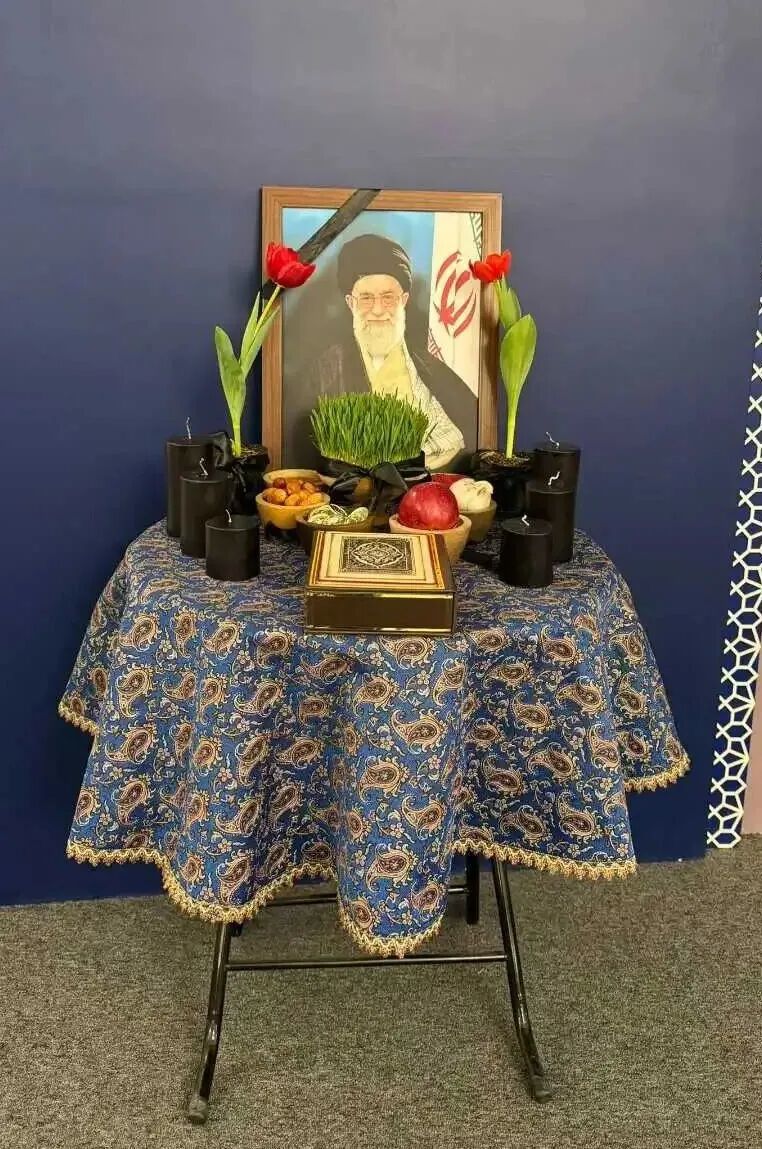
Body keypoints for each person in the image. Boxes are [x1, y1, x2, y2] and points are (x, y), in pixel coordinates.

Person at [303, 233, 476, 471]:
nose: (377, 310)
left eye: (388, 298)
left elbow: (466, 432)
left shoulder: (431, 369)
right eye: (366, 298)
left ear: (403, 300)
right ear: (350, 303)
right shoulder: (325, 371)